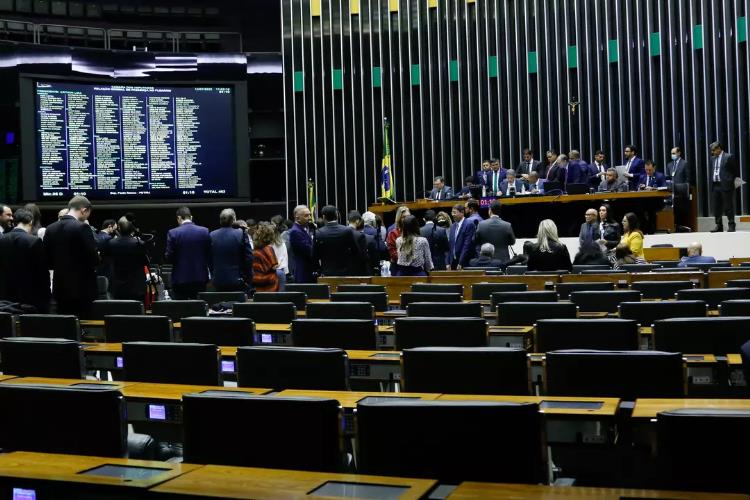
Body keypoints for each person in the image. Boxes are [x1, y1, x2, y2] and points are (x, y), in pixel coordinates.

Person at [43, 196, 98, 317]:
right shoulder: (82, 227)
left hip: (59, 287)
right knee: (84, 326)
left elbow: (48, 261)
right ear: (84, 210)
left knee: (64, 325)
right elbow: (93, 259)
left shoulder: (50, 228)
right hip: (82, 289)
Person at [0, 208, 50, 312]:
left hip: (5, 298)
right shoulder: (34, 241)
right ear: (31, 221)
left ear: (15, 222)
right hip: (29, 300)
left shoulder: (2, 239)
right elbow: (42, 273)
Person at [164, 206, 211, 299]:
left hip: (180, 279)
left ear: (179, 218)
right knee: (199, 309)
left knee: (181, 310)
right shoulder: (204, 231)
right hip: (200, 278)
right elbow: (209, 254)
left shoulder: (173, 233)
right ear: (191, 217)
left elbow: (169, 257)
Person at [101, 218, 149, 302]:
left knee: (119, 311)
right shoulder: (139, 243)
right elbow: (145, 262)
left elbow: (105, 259)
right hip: (136, 283)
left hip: (117, 283)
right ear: (131, 229)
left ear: (119, 228)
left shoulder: (111, 243)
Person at [209, 208, 253, 293]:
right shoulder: (241, 233)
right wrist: (248, 279)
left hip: (218, 280)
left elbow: (209, 259)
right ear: (234, 219)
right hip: (238, 281)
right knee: (238, 305)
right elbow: (249, 258)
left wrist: (213, 274)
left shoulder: (211, 235)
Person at [314, 205, 363, 276]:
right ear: (337, 215)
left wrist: (319, 270)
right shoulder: (347, 230)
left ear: (324, 217)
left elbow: (315, 255)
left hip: (326, 272)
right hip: (345, 272)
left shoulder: (318, 233)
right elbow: (355, 251)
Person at [709, 141, 740, 232]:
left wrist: (730, 180)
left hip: (726, 185)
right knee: (716, 207)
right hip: (715, 185)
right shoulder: (712, 159)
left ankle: (731, 225)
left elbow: (735, 171)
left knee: (728, 206)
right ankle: (719, 225)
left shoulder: (729, 157)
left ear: (719, 148)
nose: (712, 152)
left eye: (714, 150)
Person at [288, 205, 316, 283]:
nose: (310, 217)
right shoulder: (295, 232)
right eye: (306, 215)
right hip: (303, 270)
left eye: (310, 214)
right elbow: (309, 250)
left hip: (308, 269)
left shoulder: (306, 228)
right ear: (297, 217)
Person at [252, 222, 279, 292]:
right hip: (269, 286)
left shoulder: (255, 250)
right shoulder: (268, 249)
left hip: (257, 285)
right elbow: (275, 266)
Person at [447, 203, 476, 270]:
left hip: (464, 262)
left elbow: (467, 245)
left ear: (462, 213)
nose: (452, 215)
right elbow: (450, 245)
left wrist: (460, 262)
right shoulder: (452, 226)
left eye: (455, 212)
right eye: (452, 212)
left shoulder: (469, 224)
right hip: (453, 262)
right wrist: (448, 262)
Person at [386, 206, 411, 273]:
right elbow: (393, 254)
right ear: (399, 219)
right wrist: (409, 260)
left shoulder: (413, 231)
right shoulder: (393, 233)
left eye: (408, 216)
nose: (406, 219)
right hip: (398, 268)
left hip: (412, 267)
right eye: (403, 217)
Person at [347, 210, 370, 276]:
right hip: (358, 270)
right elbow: (364, 256)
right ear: (357, 221)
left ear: (348, 221)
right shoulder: (360, 235)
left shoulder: (341, 233)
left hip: (345, 270)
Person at [270, 215, 290, 290]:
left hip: (276, 270)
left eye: (272, 224)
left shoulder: (283, 236)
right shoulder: (281, 241)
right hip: (281, 270)